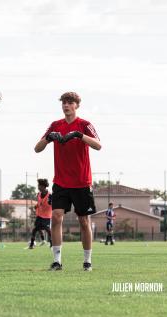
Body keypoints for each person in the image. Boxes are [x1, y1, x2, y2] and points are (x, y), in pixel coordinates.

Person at [34, 92, 101, 271]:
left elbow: (98, 145)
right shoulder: (56, 125)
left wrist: (78, 135)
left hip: (82, 182)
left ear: (76, 105)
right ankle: (57, 261)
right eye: (64, 102)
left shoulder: (84, 125)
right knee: (56, 217)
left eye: (70, 102)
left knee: (83, 221)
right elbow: (37, 148)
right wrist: (49, 138)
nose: (66, 105)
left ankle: (87, 261)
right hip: (61, 182)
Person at [29, 178, 52, 249]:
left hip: (47, 216)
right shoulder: (38, 194)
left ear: (44, 186)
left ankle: (52, 244)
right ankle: (31, 245)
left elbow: (53, 205)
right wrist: (35, 207)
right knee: (35, 229)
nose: (38, 187)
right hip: (39, 215)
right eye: (38, 185)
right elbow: (39, 203)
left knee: (47, 230)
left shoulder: (50, 195)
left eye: (39, 186)